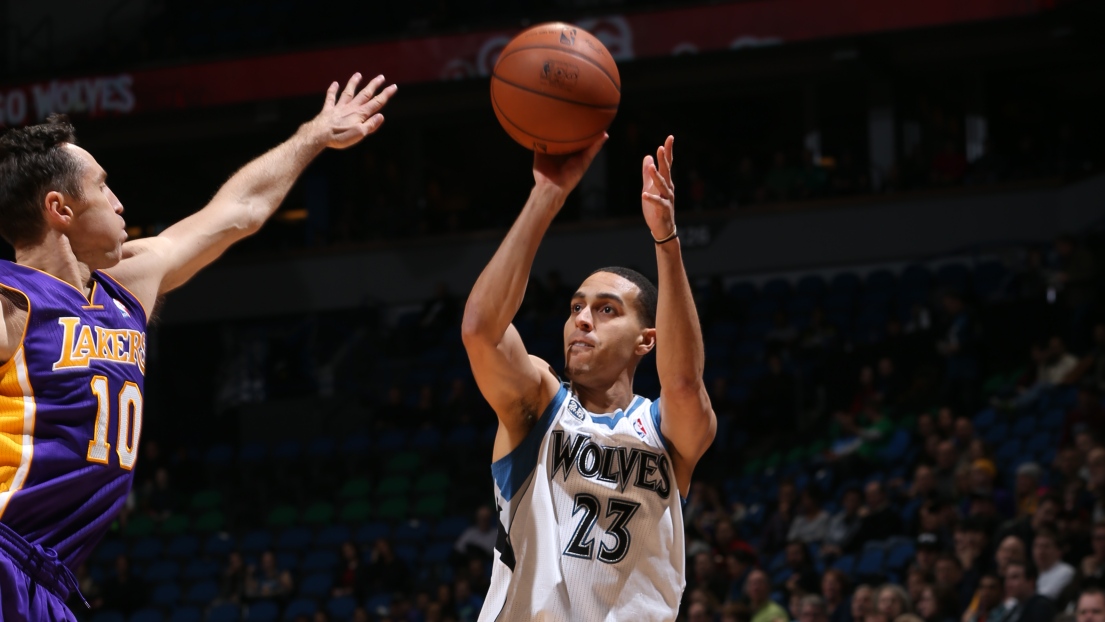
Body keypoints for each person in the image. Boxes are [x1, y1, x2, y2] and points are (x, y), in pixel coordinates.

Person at [0, 73, 396, 620]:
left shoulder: (127, 286)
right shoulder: (11, 299)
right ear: (59, 209)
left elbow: (238, 213)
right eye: (103, 186)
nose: (119, 203)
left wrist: (314, 135)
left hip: (49, 578)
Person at [461, 134, 716, 620]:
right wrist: (546, 196)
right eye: (576, 307)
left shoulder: (666, 433)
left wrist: (667, 240)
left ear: (646, 339)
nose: (581, 319)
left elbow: (683, 384)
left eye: (605, 310)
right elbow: (481, 331)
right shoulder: (538, 401)